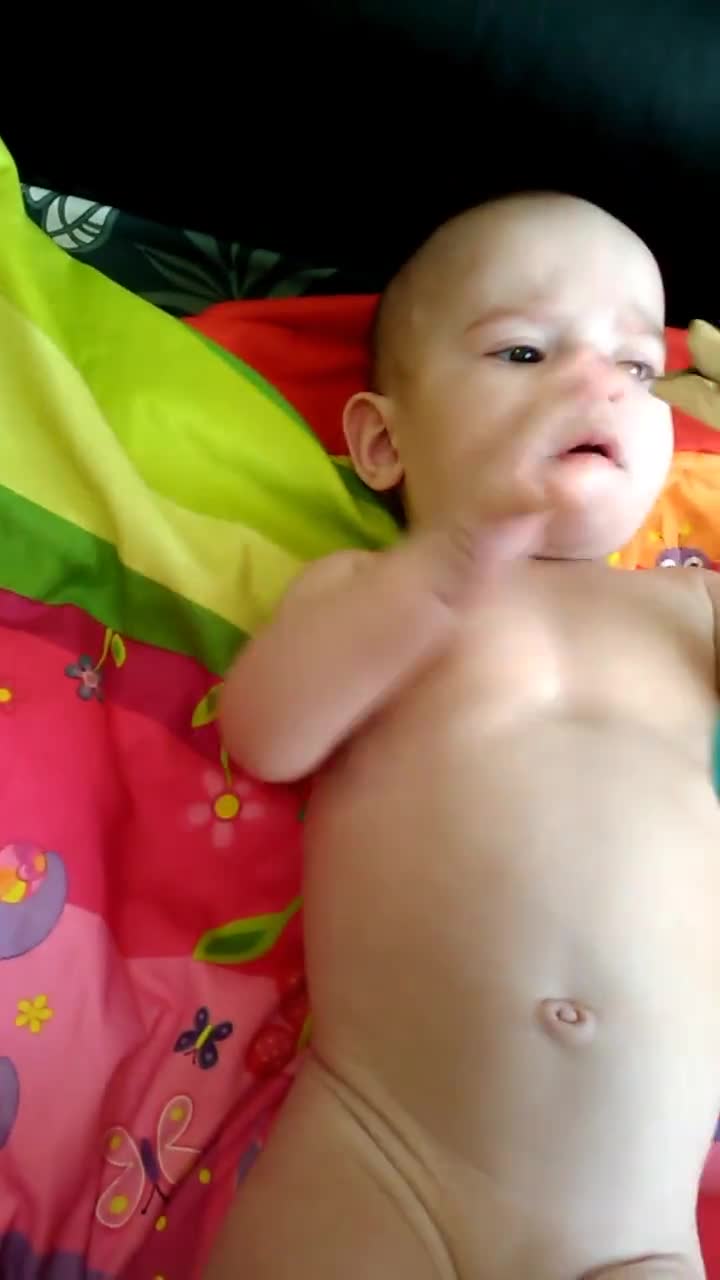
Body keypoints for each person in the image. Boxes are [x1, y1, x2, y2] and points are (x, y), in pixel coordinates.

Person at [208, 193, 720, 1279]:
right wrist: (434, 579)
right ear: (383, 441)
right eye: (526, 351)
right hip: (383, 1152)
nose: (597, 385)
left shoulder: (693, 612)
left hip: (632, 1228)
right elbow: (265, 734)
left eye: (637, 365)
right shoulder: (366, 592)